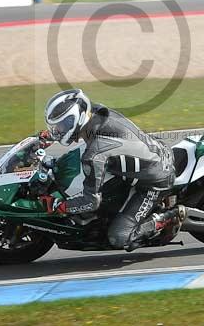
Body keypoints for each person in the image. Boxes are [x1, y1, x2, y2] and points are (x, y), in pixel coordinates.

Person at [39, 89, 186, 251]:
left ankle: (169, 217)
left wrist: (60, 206)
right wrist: (48, 136)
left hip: (155, 181)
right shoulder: (96, 112)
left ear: (75, 119)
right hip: (155, 152)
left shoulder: (95, 154)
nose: (57, 130)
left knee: (119, 236)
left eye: (60, 126)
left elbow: (91, 202)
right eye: (55, 127)